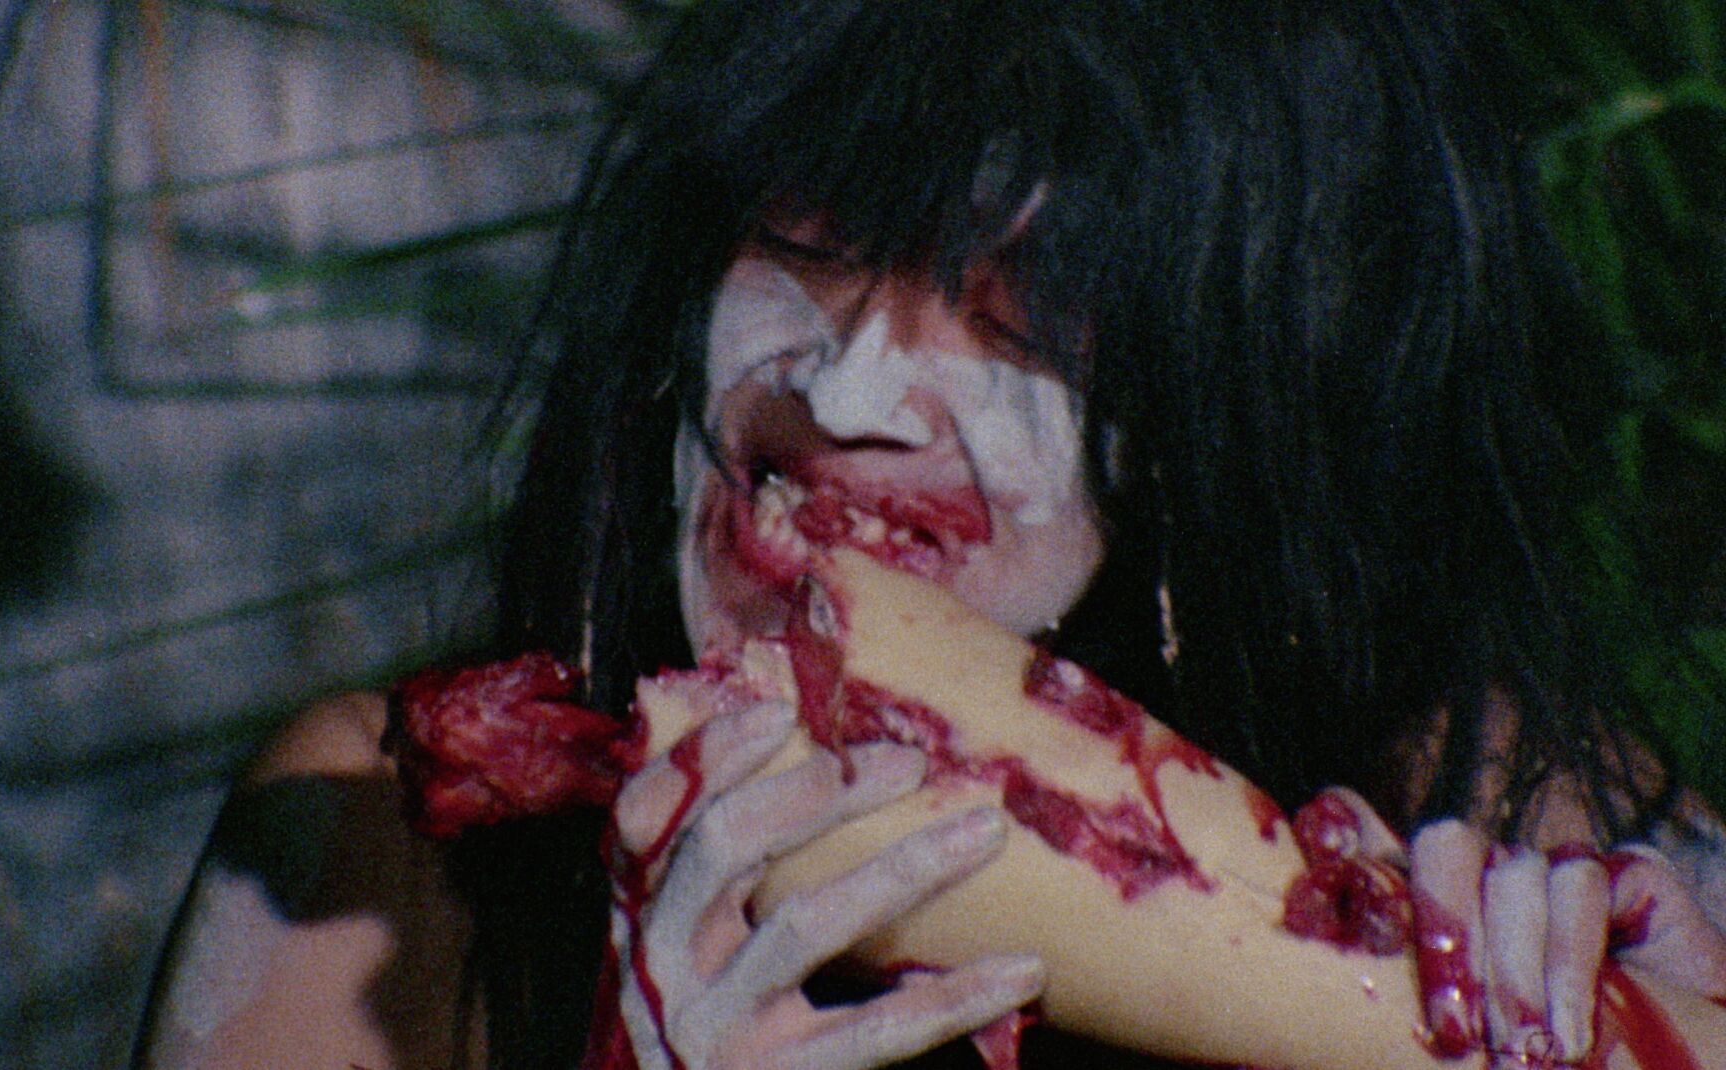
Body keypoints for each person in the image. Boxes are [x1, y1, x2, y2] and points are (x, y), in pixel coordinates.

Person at [135, 2, 1726, 1068]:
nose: (850, 388)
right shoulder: (380, 859)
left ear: (1236, 416)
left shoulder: (1500, 838)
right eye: (819, 227)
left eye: (1034, 302)